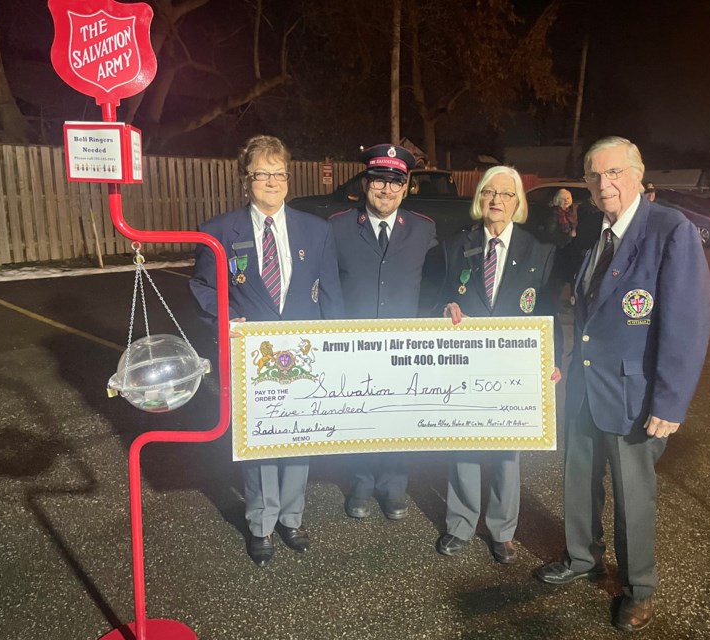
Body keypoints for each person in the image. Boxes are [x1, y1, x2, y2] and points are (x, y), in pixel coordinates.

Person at [533, 136, 710, 632]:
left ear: (638, 174)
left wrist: (671, 401)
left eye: (613, 173)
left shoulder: (669, 229)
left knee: (634, 496)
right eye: (594, 175)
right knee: (578, 481)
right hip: (587, 388)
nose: (603, 184)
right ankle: (581, 557)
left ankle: (638, 587)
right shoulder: (598, 229)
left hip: (635, 396)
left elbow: (687, 324)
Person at [189, 135, 345, 567]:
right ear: (247, 179)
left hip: (307, 352)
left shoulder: (316, 230)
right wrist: (225, 319)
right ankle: (261, 522)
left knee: (299, 436)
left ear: (288, 179)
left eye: (279, 173)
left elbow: (330, 292)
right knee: (258, 440)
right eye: (262, 173)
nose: (272, 181)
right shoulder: (218, 231)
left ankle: (291, 517)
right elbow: (202, 287)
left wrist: (337, 346)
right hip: (252, 355)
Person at [434, 165, 562, 564]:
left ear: (518, 203)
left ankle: (503, 529)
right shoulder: (457, 245)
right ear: (480, 199)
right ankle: (460, 523)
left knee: (508, 450)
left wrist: (552, 361)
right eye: (490, 193)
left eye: (506, 195)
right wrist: (444, 308)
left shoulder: (539, 251)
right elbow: (438, 296)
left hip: (513, 368)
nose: (496, 201)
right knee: (464, 443)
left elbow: (549, 313)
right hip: (466, 366)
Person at [329, 143, 438, 521]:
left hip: (403, 346)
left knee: (398, 418)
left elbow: (437, 282)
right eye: (379, 181)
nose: (387, 190)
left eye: (396, 182)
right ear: (365, 183)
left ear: (406, 187)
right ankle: (359, 483)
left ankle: (394, 487)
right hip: (352, 345)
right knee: (360, 417)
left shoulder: (423, 230)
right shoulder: (339, 227)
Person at [549, 188, 580, 305]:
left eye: (568, 198)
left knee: (568, 278)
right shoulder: (554, 213)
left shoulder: (569, 212)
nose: (566, 201)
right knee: (557, 281)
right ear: (558, 200)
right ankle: (553, 305)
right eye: (563, 199)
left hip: (569, 249)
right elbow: (551, 232)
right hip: (559, 250)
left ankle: (568, 301)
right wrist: (568, 236)